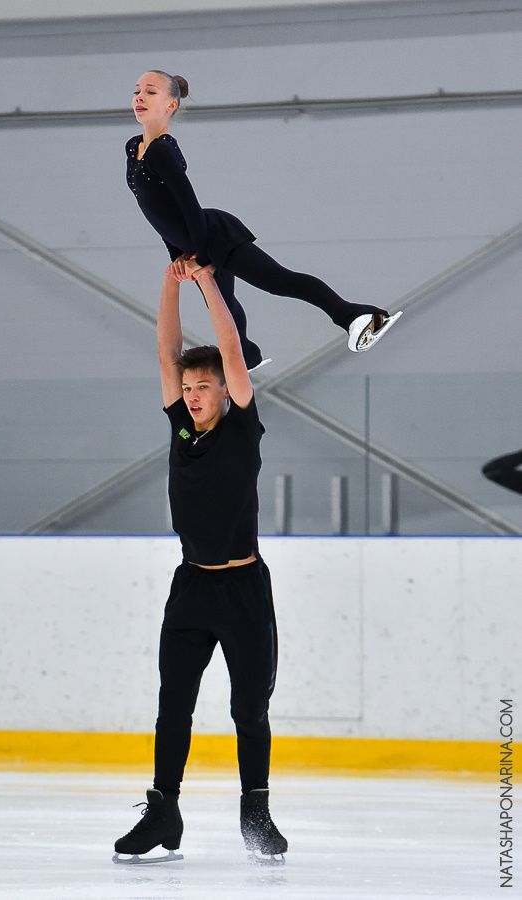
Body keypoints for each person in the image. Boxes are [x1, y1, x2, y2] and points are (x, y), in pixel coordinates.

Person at [113, 254, 287, 864]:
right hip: (191, 589)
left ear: (224, 392)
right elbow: (167, 355)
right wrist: (170, 284)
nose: (191, 396)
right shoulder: (182, 430)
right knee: (173, 705)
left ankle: (256, 811)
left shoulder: (241, 429)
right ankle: (164, 811)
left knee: (249, 709)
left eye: (202, 387)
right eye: (187, 389)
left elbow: (231, 352)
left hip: (243, 592)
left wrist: (207, 282)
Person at [126, 69, 403, 370]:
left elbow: (188, 206)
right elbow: (157, 212)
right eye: (137, 90)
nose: (139, 96)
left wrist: (202, 257)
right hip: (193, 242)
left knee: (278, 281)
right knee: (222, 305)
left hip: (213, 235)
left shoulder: (161, 152)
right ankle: (246, 355)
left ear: (171, 105)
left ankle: (358, 316)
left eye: (150, 92)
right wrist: (179, 256)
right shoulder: (133, 148)